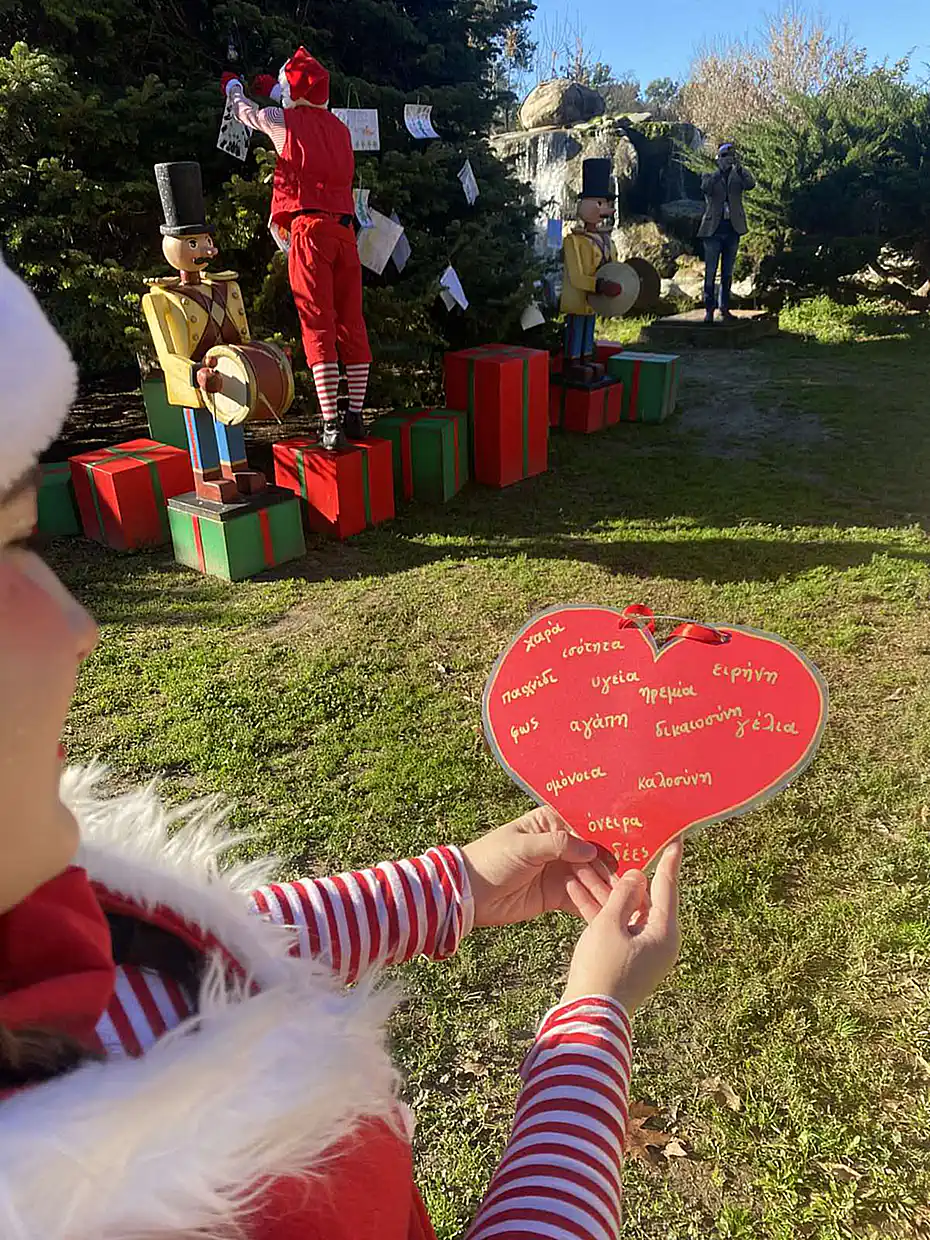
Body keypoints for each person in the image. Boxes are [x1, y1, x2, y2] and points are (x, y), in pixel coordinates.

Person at [0, 254, 683, 1239]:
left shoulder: (32, 905)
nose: (78, 626)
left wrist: (457, 884)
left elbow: (197, 947)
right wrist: (593, 1020)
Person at [222, 48, 371, 453]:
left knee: (317, 323)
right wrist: (275, 89)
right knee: (351, 322)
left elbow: (250, 115)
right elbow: (307, 111)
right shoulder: (340, 130)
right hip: (345, 235)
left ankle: (330, 423)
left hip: (309, 233)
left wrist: (234, 88)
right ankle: (356, 415)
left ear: (290, 91)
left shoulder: (281, 120)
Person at [560, 158, 624, 383]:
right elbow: (576, 276)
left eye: (606, 204)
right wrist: (599, 285)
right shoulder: (573, 241)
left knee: (588, 328)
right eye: (599, 203)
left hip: (596, 300)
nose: (605, 209)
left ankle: (586, 358)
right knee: (576, 328)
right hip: (579, 298)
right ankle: (572, 362)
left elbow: (614, 268)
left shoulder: (608, 241)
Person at [698, 141, 755, 323]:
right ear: (717, 158)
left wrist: (739, 169)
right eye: (723, 156)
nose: (727, 159)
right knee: (710, 271)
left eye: (730, 156)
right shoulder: (709, 174)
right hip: (712, 231)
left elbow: (751, 184)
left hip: (732, 229)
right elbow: (705, 188)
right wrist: (719, 173)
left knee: (727, 272)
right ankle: (709, 310)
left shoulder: (738, 175)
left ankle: (724, 308)